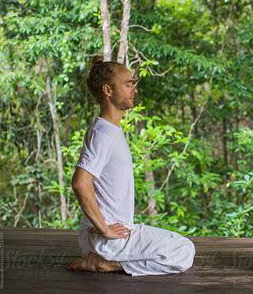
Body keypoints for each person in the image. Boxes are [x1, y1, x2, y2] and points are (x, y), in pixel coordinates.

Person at [66, 57, 195, 276]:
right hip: (107, 238)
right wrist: (104, 229)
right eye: (128, 84)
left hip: (109, 235)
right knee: (183, 250)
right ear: (108, 90)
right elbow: (80, 183)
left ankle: (103, 259)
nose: (133, 89)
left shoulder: (109, 130)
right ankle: (107, 263)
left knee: (180, 247)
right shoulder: (103, 133)